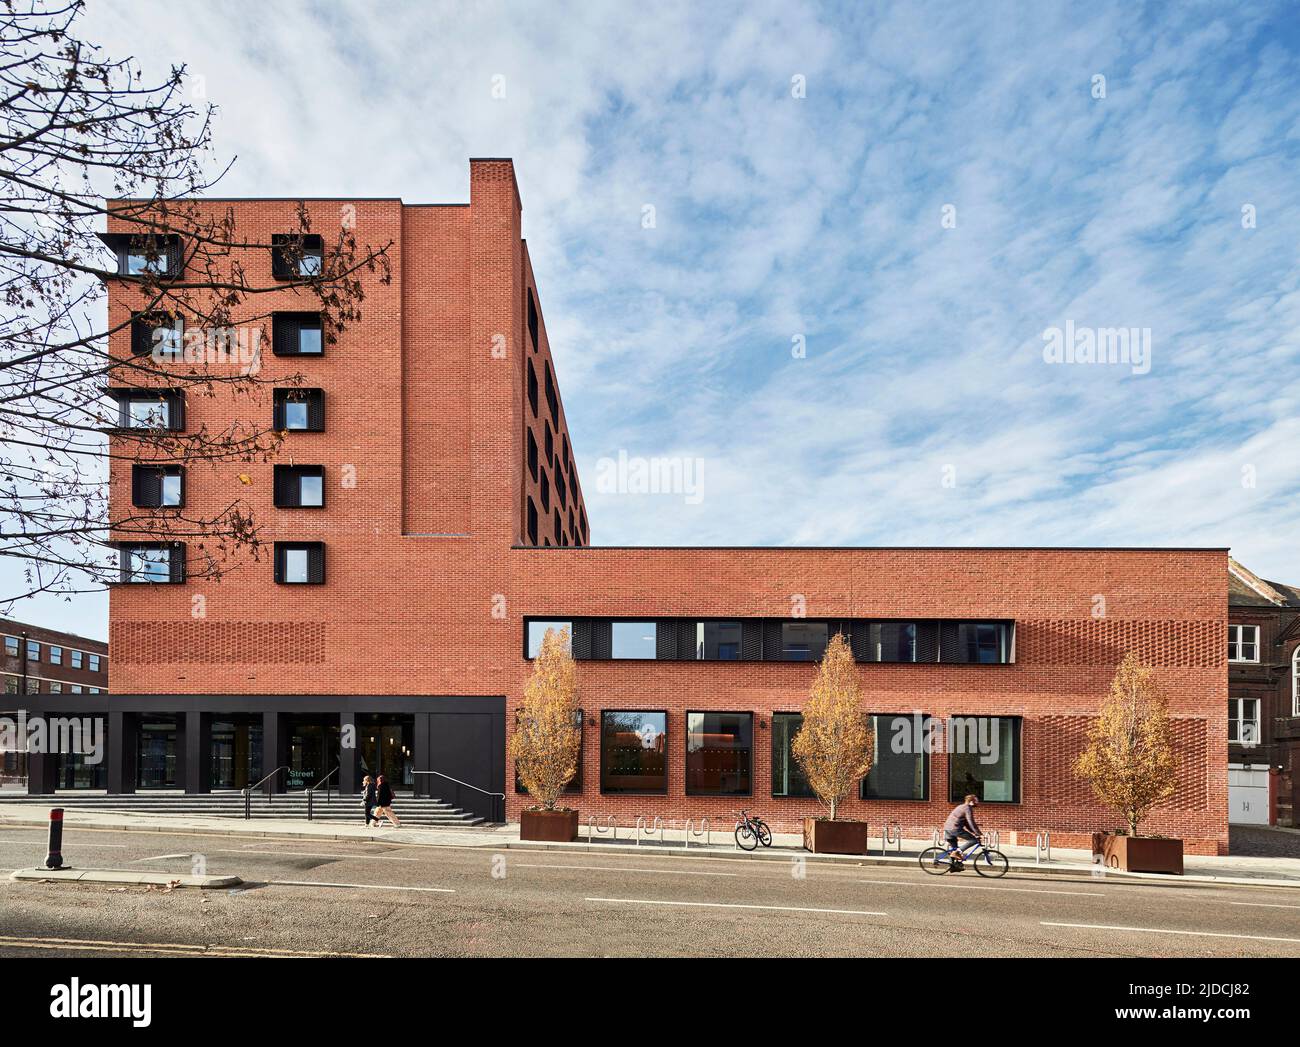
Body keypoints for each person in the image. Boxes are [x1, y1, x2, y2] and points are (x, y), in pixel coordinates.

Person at [942, 794, 981, 868]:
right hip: (955, 829)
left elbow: (966, 823)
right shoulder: (967, 808)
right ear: (971, 802)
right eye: (976, 801)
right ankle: (956, 853)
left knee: (954, 849)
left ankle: (952, 866)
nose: (978, 802)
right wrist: (979, 833)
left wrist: (974, 832)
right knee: (973, 840)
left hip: (947, 829)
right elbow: (971, 822)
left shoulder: (961, 806)